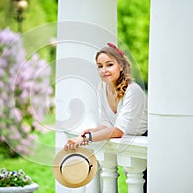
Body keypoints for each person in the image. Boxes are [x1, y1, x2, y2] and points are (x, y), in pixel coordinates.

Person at [63, 43, 148, 192]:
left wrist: (84, 138)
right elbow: (106, 122)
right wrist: (95, 131)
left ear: (121, 66)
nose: (104, 70)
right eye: (100, 66)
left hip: (148, 141)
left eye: (109, 64)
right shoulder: (102, 87)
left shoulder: (132, 90)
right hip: (129, 139)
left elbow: (118, 131)